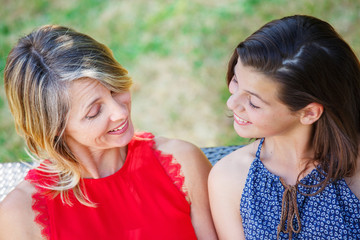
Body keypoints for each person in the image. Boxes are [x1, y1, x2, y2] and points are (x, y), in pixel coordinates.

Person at [0, 25, 217, 240]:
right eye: (94, 112)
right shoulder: (20, 215)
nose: (120, 112)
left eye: (115, 89)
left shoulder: (183, 162)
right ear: (53, 127)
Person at [208, 15, 360, 239]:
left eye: (254, 102)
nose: (232, 103)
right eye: (236, 81)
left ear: (309, 113)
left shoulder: (354, 170)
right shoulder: (229, 177)